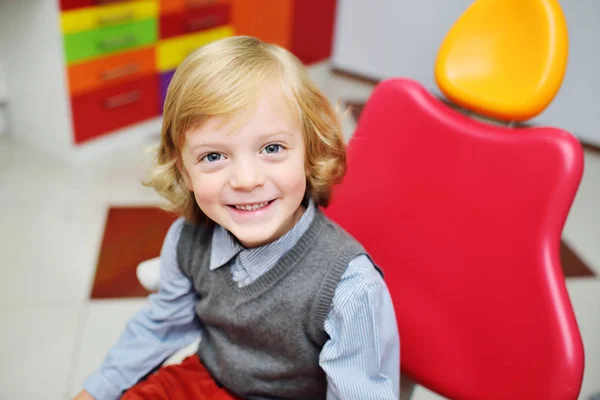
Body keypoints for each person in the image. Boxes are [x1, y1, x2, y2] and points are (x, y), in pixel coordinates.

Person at [74, 35, 400, 400]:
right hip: (204, 380)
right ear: (183, 170)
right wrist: (95, 391)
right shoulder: (186, 239)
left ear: (311, 151)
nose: (246, 180)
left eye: (272, 148)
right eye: (213, 156)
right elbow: (161, 327)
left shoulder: (350, 287)